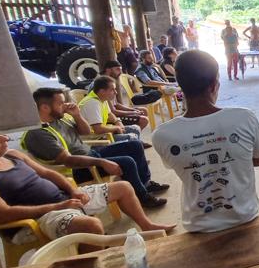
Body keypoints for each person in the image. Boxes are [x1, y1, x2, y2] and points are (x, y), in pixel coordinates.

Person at [0, 135, 174, 245]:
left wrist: (73, 191)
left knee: (123, 186)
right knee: (91, 226)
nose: (4, 137)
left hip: (64, 200)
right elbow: (1, 214)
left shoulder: (12, 155)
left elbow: (48, 173)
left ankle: (147, 226)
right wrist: (59, 205)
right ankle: (93, 267)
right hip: (41, 217)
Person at [152, 50, 259, 232]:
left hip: (197, 226)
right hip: (245, 217)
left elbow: (183, 167)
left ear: (180, 87)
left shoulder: (162, 135)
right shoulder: (244, 117)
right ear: (214, 85)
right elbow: (258, 160)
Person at [23, 88, 169, 208]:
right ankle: (143, 198)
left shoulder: (60, 119)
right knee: (127, 161)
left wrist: (77, 115)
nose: (66, 105)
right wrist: (102, 162)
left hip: (91, 154)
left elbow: (85, 132)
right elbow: (67, 160)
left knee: (135, 145)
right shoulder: (38, 134)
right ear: (45, 107)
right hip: (78, 169)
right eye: (61, 103)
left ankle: (145, 184)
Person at [80, 76, 142, 143]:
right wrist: (116, 128)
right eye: (112, 90)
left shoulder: (102, 98)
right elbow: (98, 129)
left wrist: (118, 122)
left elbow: (110, 114)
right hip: (95, 139)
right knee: (132, 138)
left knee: (136, 128)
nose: (116, 92)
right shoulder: (92, 103)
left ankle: (135, 148)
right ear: (102, 91)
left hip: (102, 134)